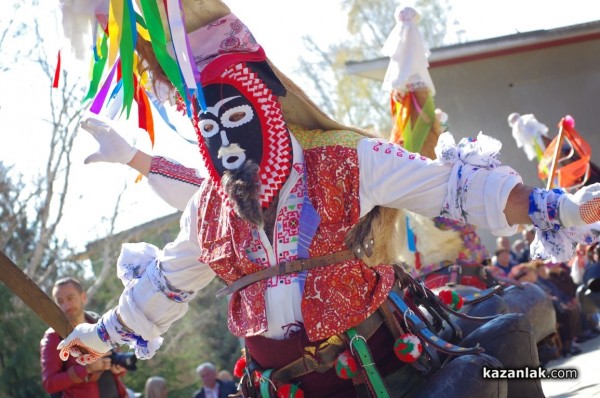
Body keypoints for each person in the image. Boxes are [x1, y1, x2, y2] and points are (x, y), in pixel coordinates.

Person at [57, 1, 600, 397]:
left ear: (267, 102)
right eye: (210, 126)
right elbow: (166, 284)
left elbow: (451, 187)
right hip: (280, 391)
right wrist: (100, 336)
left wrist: (558, 208)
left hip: (381, 372)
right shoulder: (213, 210)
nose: (226, 138)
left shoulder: (342, 159)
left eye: (237, 114)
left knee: (496, 358)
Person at [40, 277, 129, 398]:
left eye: (70, 298)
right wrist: (86, 369)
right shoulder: (53, 337)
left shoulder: (100, 324)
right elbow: (49, 383)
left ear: (83, 297)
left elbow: (117, 364)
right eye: (60, 301)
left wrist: (118, 368)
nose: (66, 306)